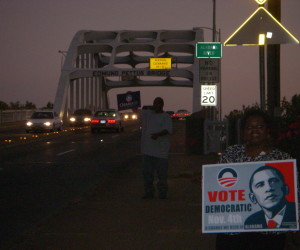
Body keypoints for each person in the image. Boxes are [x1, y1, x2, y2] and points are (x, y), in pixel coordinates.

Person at [216, 108, 294, 250]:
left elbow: (295, 193)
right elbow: (217, 185)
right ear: (244, 133)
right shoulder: (231, 154)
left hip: (269, 235)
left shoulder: (282, 159)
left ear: (267, 130)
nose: (255, 130)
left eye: (260, 126)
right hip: (233, 231)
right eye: (249, 127)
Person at [244, 165, 297, 229]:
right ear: (253, 198)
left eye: (273, 181)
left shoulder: (296, 212)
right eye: (260, 185)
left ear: (286, 189)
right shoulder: (251, 222)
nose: (268, 188)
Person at [140, 97, 172, 199]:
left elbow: (167, 130)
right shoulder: (148, 114)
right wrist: (130, 98)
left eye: (158, 104)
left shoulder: (166, 116)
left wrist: (157, 135)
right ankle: (149, 193)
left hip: (161, 152)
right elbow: (135, 110)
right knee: (147, 175)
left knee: (162, 176)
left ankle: (162, 194)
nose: (156, 106)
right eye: (155, 103)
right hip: (147, 151)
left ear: (162, 105)